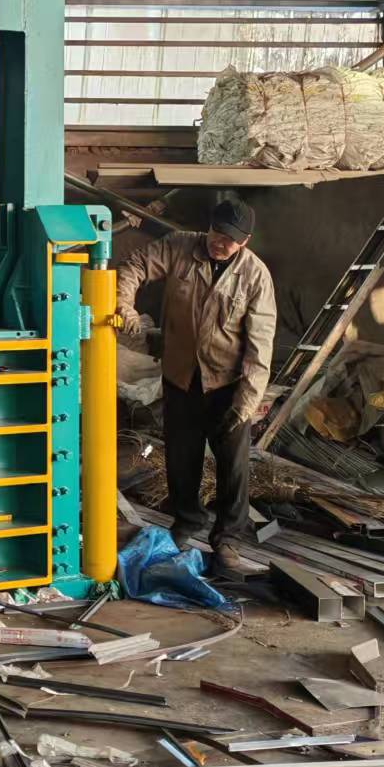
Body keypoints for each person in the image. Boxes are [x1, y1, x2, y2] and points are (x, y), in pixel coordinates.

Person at [116, 197, 276, 575]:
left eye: (231, 239)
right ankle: (187, 523)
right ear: (209, 227)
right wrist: (124, 303)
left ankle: (229, 539)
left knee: (233, 467)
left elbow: (260, 346)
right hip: (181, 377)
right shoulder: (179, 246)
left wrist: (245, 404)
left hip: (227, 385)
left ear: (245, 241)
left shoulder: (255, 276)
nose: (221, 242)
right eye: (217, 233)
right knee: (181, 458)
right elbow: (135, 264)